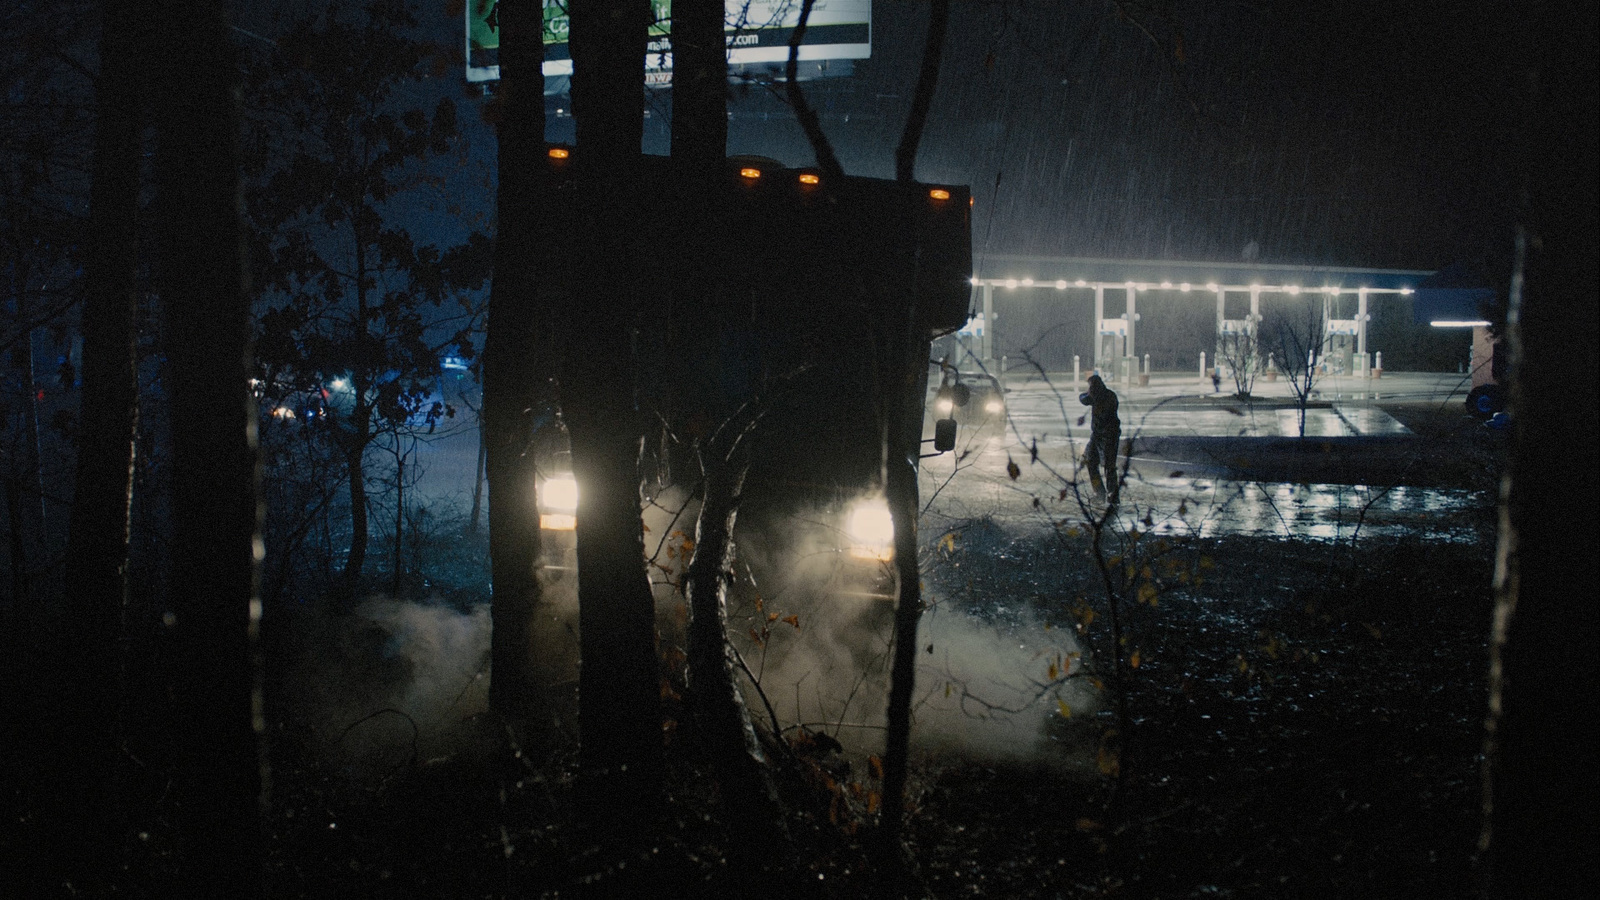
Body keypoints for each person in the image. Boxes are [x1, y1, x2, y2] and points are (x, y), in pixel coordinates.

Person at [1078, 373, 1121, 499]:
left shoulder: (1110, 396)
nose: (1089, 389)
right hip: (1096, 435)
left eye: (1091, 386)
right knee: (1090, 461)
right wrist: (1088, 395)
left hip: (1110, 436)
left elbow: (1105, 416)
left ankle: (1113, 495)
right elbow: (1082, 399)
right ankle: (1099, 492)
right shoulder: (1094, 396)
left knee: (1109, 466)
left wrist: (1094, 399)